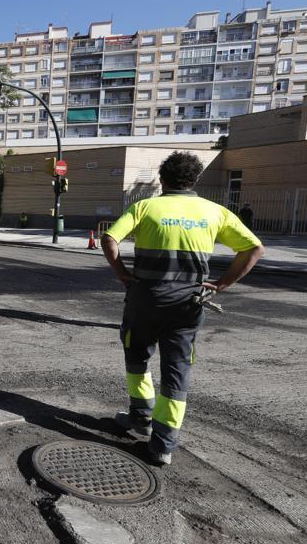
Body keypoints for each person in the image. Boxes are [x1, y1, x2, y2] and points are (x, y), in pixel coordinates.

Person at [102, 151, 264, 466]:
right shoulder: (215, 212)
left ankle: (140, 417)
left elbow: (109, 239)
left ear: (162, 180)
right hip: (187, 305)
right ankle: (162, 446)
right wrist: (224, 283)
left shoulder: (145, 207)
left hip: (144, 300)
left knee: (136, 357)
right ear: (194, 180)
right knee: (177, 371)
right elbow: (254, 248)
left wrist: (122, 273)